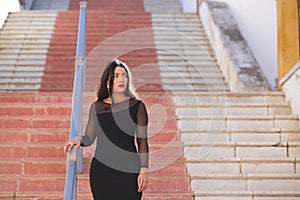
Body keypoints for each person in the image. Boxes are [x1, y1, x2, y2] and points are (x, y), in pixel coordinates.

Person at [64, 59, 149, 199]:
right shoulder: (97, 107)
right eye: (116, 76)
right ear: (108, 81)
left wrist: (144, 170)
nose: (121, 79)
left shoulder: (137, 106)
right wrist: (78, 139)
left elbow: (142, 141)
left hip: (129, 170)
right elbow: (90, 138)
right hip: (102, 172)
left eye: (124, 75)